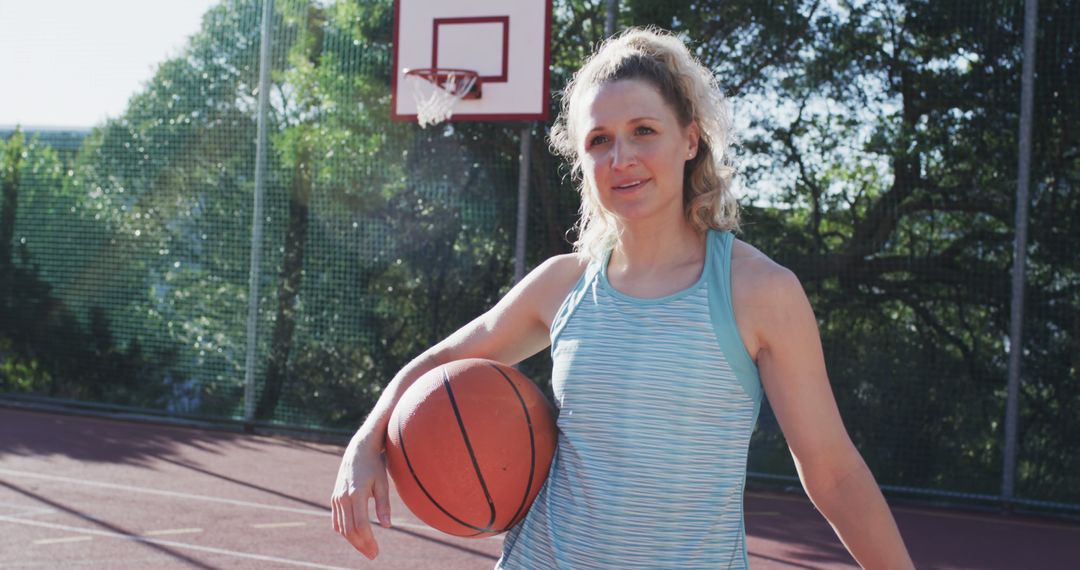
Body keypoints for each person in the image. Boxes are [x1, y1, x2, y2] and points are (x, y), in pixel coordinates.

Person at [332, 27, 914, 569]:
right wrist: (364, 446)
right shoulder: (563, 283)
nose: (621, 158)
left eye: (644, 131)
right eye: (599, 140)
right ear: (582, 161)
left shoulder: (758, 291)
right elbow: (439, 365)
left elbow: (832, 473)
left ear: (690, 140)